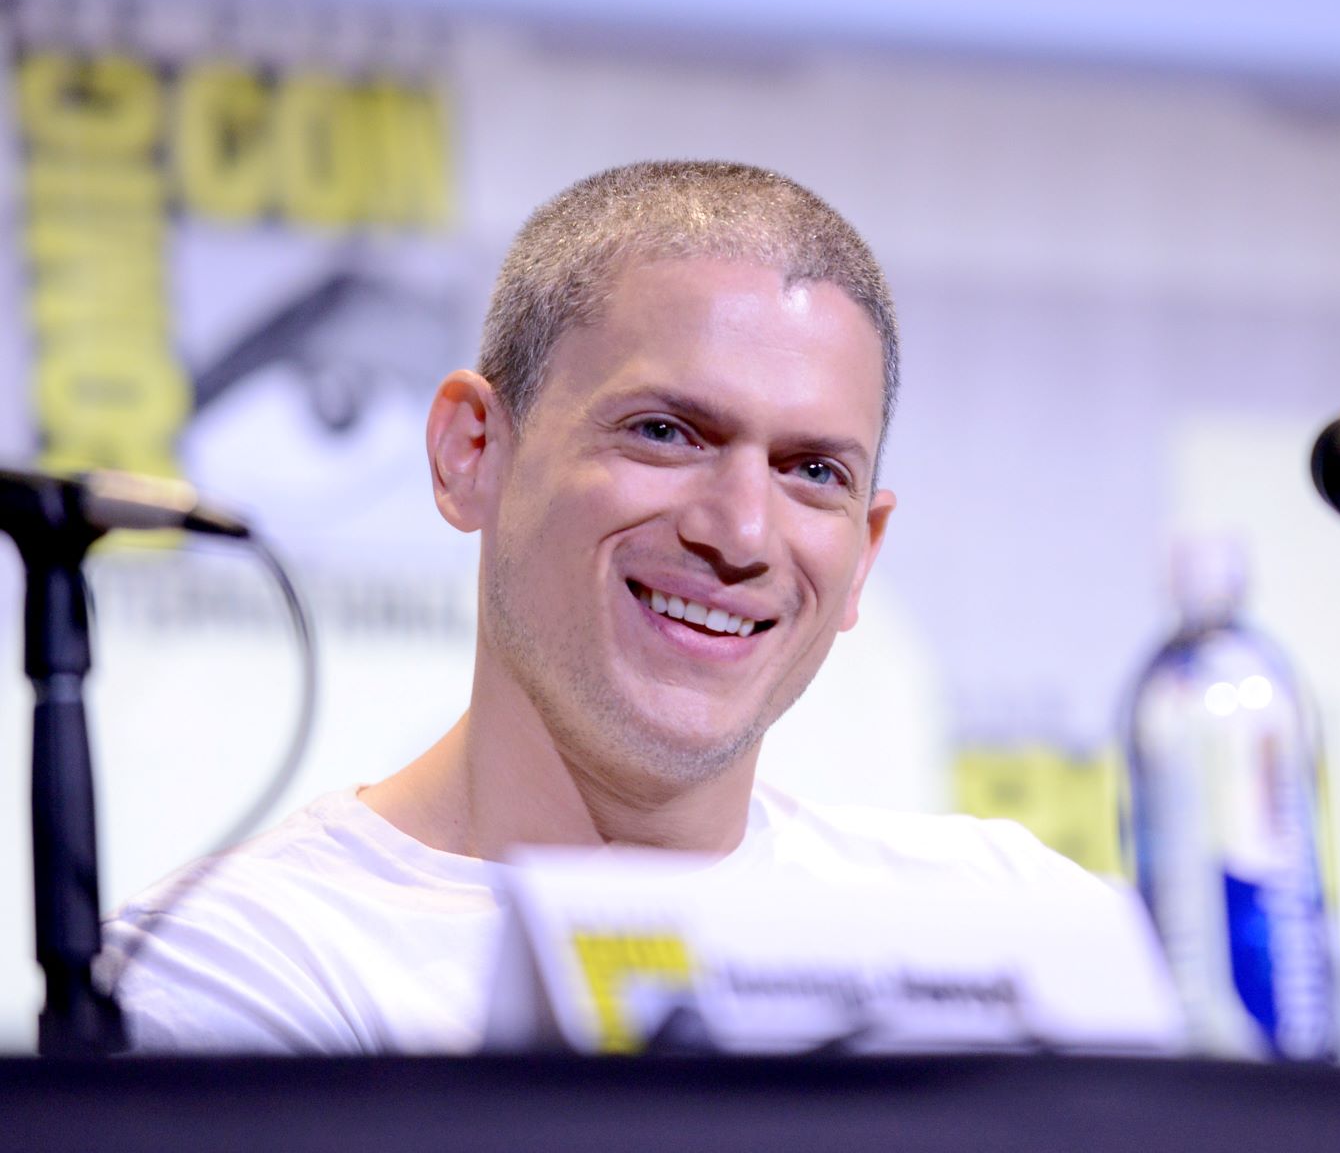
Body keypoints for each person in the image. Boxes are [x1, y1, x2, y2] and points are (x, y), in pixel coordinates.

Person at [101, 161, 1099, 1053]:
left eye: (811, 471)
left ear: (864, 550)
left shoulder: (1006, 921)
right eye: (666, 432)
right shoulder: (238, 969)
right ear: (472, 450)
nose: (741, 532)